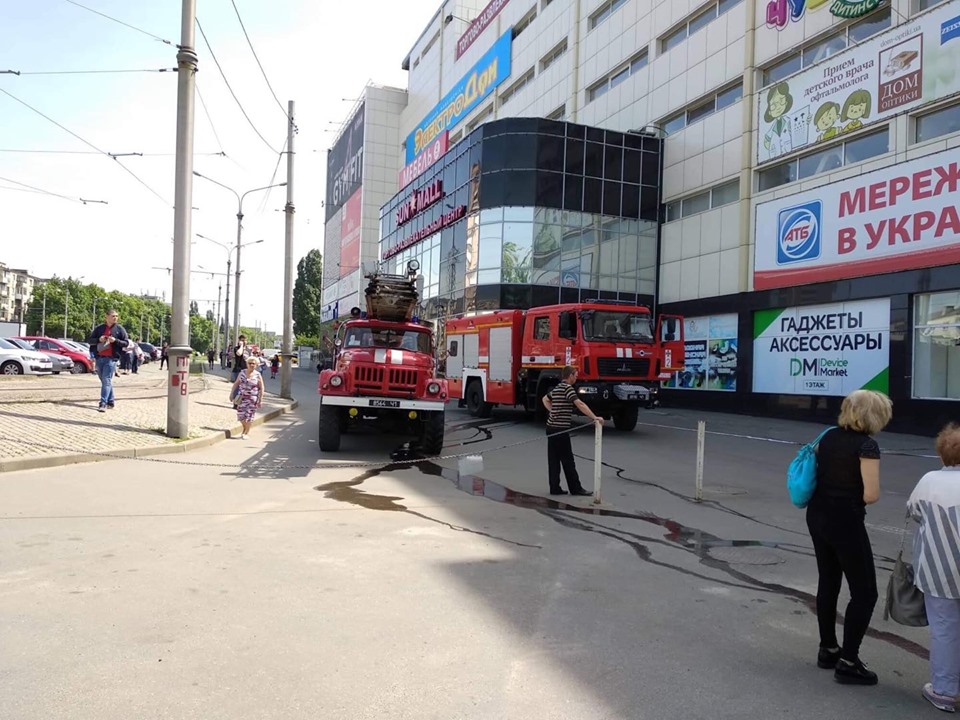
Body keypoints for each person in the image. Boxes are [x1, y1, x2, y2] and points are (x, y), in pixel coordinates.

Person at [806, 389, 892, 686]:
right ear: (874, 415)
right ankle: (849, 660)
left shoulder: (828, 437)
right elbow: (871, 495)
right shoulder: (867, 446)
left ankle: (828, 648)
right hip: (846, 521)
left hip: (818, 515)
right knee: (865, 592)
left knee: (828, 580)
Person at [907, 423, 960, 712]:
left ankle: (945, 691)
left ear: (941, 455)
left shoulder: (929, 480)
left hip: (939, 571)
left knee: (944, 628)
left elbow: (914, 512)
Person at [541, 365, 603, 497]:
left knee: (553, 460)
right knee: (568, 460)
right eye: (575, 375)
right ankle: (576, 488)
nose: (576, 377)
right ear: (570, 376)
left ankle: (555, 487)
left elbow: (545, 399)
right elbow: (579, 404)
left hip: (551, 428)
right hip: (561, 429)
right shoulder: (568, 389)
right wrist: (594, 417)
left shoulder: (557, 388)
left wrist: (552, 411)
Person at [87, 309, 129, 412]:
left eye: (117, 316)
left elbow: (126, 343)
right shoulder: (99, 328)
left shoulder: (120, 329)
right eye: (113, 316)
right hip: (99, 357)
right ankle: (111, 401)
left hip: (111, 359)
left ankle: (103, 403)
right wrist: (99, 340)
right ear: (107, 317)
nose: (115, 318)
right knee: (105, 381)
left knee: (106, 380)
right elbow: (90, 341)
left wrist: (116, 341)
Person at [231, 355, 264, 440]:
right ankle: (245, 428)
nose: (251, 365)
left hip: (253, 398)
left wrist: (260, 399)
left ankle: (246, 432)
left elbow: (262, 387)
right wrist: (231, 394)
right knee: (240, 415)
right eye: (250, 363)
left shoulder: (257, 375)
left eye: (253, 363)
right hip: (241, 397)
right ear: (247, 364)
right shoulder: (242, 373)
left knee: (249, 416)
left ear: (256, 365)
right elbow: (236, 383)